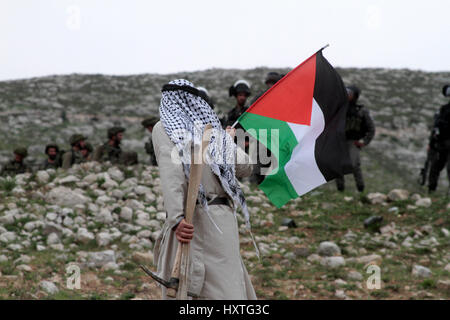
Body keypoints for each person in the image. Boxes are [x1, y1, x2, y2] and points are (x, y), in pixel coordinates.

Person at [152, 79, 256, 300]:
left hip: (192, 220)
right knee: (226, 287)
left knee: (191, 289)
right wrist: (228, 142)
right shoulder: (215, 130)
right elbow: (246, 166)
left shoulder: (164, 128)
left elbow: (172, 177)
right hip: (222, 221)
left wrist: (177, 220)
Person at [335, 85, 375, 192]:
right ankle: (340, 188)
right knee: (337, 164)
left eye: (350, 93)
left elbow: (371, 129)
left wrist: (364, 141)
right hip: (339, 141)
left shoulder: (361, 111)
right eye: (346, 92)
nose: (347, 94)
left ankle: (360, 188)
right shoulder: (340, 109)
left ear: (355, 96)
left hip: (354, 142)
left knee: (353, 164)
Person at [428, 84, 450, 192]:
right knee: (435, 167)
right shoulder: (443, 110)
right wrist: (432, 143)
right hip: (442, 143)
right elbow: (436, 127)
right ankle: (431, 190)